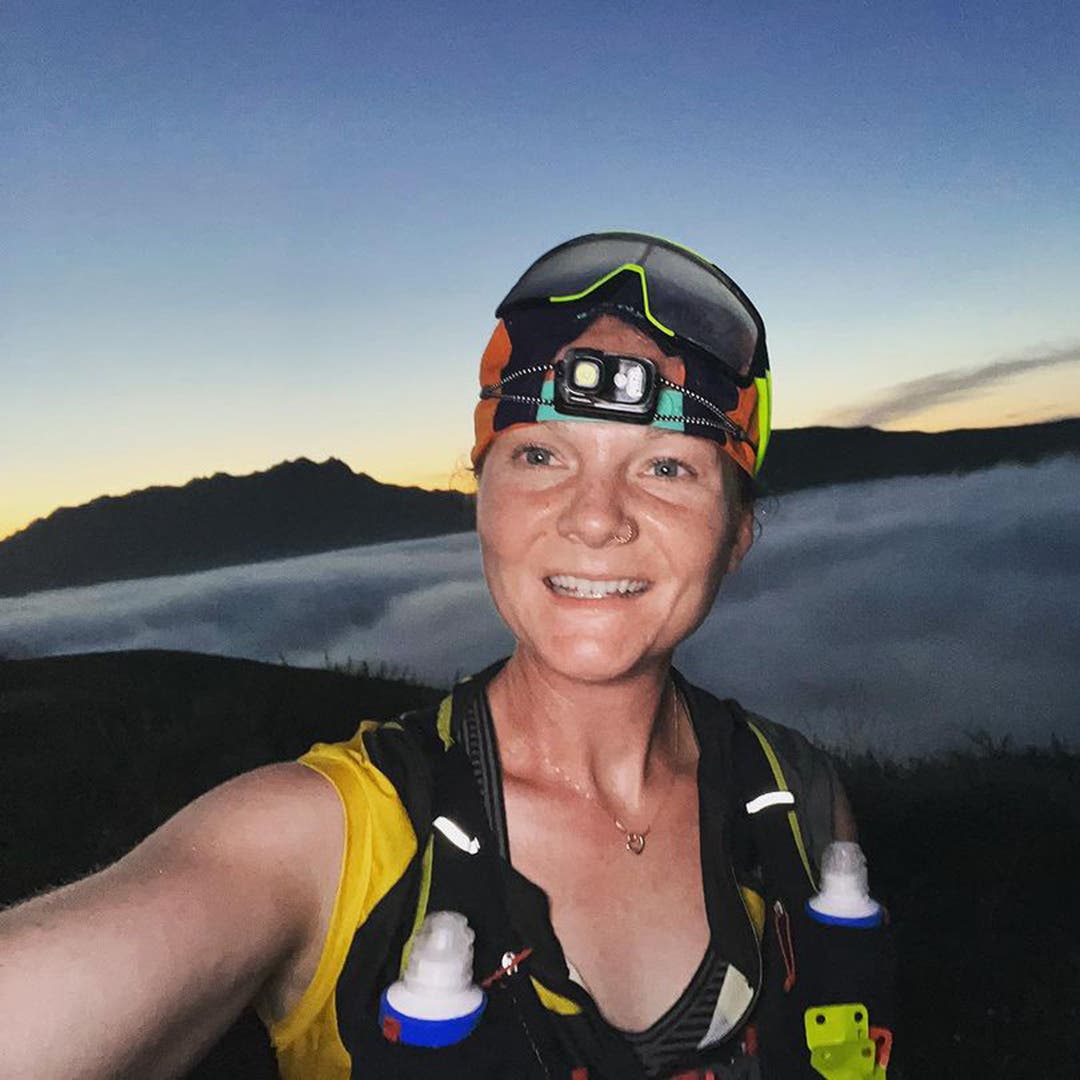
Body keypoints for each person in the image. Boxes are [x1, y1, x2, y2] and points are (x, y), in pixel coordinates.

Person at [0, 232, 891, 1079]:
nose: (593, 517)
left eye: (666, 468)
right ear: (481, 501)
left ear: (737, 531)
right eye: (540, 454)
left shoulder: (797, 803)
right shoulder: (330, 841)